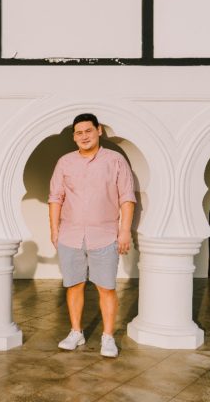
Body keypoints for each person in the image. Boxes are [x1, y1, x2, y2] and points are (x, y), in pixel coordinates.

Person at [48, 113, 136, 358]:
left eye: (88, 130)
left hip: (106, 235)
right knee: (73, 285)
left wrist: (125, 231)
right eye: (78, 132)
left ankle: (108, 337)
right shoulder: (65, 162)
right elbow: (55, 197)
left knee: (106, 287)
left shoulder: (115, 160)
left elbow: (127, 197)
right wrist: (55, 230)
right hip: (70, 235)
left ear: (99, 131)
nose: (84, 136)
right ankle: (76, 332)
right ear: (74, 137)